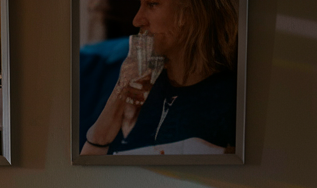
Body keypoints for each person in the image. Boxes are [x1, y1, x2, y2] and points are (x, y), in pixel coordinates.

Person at [81, 0, 238, 155]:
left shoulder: (230, 100)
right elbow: (90, 158)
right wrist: (122, 88)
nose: (136, 21)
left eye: (152, 4)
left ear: (188, 14)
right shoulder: (143, 87)